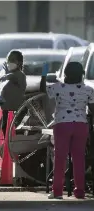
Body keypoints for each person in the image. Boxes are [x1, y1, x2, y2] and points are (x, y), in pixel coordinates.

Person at [40, 62, 94, 199]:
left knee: (60, 158)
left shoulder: (58, 87)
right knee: (79, 159)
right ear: (81, 75)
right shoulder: (88, 90)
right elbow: (93, 109)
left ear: (65, 74)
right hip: (81, 125)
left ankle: (57, 192)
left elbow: (42, 90)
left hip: (62, 125)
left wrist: (44, 74)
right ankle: (80, 192)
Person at [0, 50, 27, 136]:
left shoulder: (20, 75)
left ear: (19, 63)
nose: (10, 63)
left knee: (16, 128)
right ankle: (7, 144)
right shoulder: (11, 74)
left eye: (13, 60)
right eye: (9, 60)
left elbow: (12, 77)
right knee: (5, 127)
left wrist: (6, 76)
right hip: (7, 108)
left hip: (16, 108)